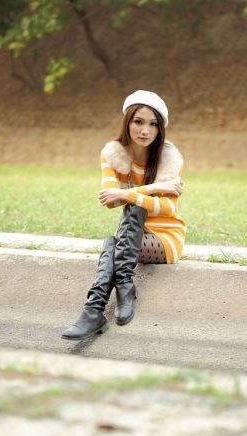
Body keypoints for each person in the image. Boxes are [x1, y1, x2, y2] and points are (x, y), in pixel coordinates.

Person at [61, 89, 187, 340]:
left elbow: (169, 208)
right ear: (127, 122)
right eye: (138, 122)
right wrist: (151, 189)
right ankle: (117, 292)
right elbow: (109, 200)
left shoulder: (168, 157)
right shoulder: (113, 154)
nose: (145, 131)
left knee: (124, 223)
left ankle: (94, 309)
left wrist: (127, 194)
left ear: (160, 129)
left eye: (153, 124)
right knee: (126, 219)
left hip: (165, 238)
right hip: (131, 236)